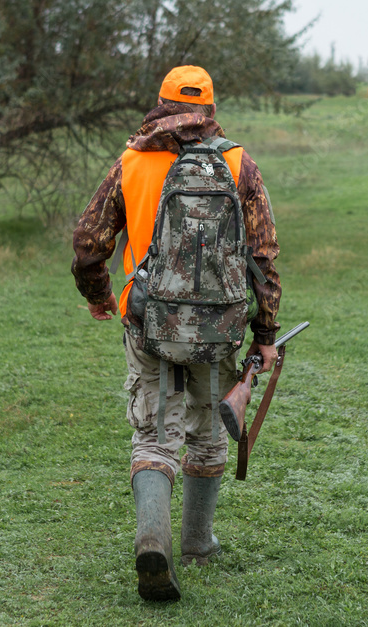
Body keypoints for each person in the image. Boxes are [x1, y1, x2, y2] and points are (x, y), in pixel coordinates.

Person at [71, 65, 281, 601]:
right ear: (210, 108)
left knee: (152, 435)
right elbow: (263, 257)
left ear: (161, 103)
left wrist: (100, 298)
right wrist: (265, 332)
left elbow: (89, 243)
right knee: (208, 430)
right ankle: (198, 542)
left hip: (148, 323)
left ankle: (151, 541)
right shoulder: (237, 162)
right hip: (220, 330)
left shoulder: (133, 162)